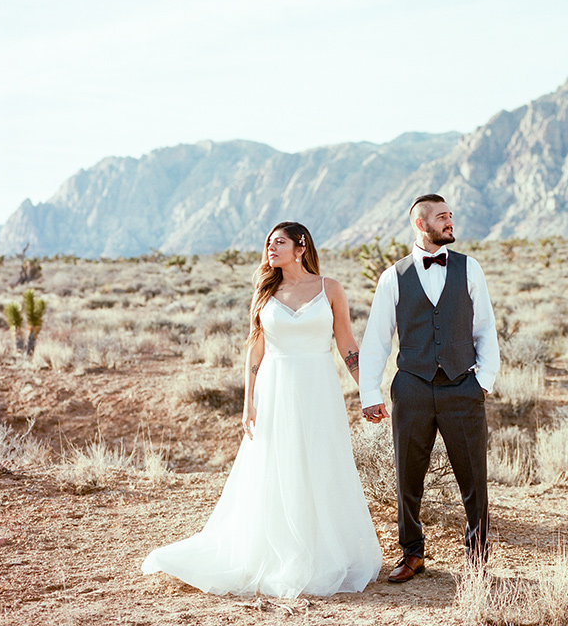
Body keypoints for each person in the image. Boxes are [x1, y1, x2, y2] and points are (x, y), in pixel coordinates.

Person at [142, 221, 382, 597]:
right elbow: (255, 349)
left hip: (319, 388)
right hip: (275, 390)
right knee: (277, 465)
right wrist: (248, 402)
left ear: (300, 248)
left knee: (321, 463)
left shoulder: (329, 289)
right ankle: (279, 553)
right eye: (269, 243)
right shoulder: (265, 292)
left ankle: (324, 554)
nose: (271, 248)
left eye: (279, 242)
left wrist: (368, 391)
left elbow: (347, 343)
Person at [360, 194, 500, 583]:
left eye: (451, 216)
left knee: (473, 477)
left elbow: (485, 329)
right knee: (408, 475)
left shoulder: (470, 269)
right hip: (413, 387)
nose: (450, 222)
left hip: (462, 387)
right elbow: (376, 339)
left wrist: (482, 383)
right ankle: (412, 553)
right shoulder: (394, 276)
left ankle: (478, 556)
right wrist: (369, 393)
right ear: (421, 225)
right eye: (442, 217)